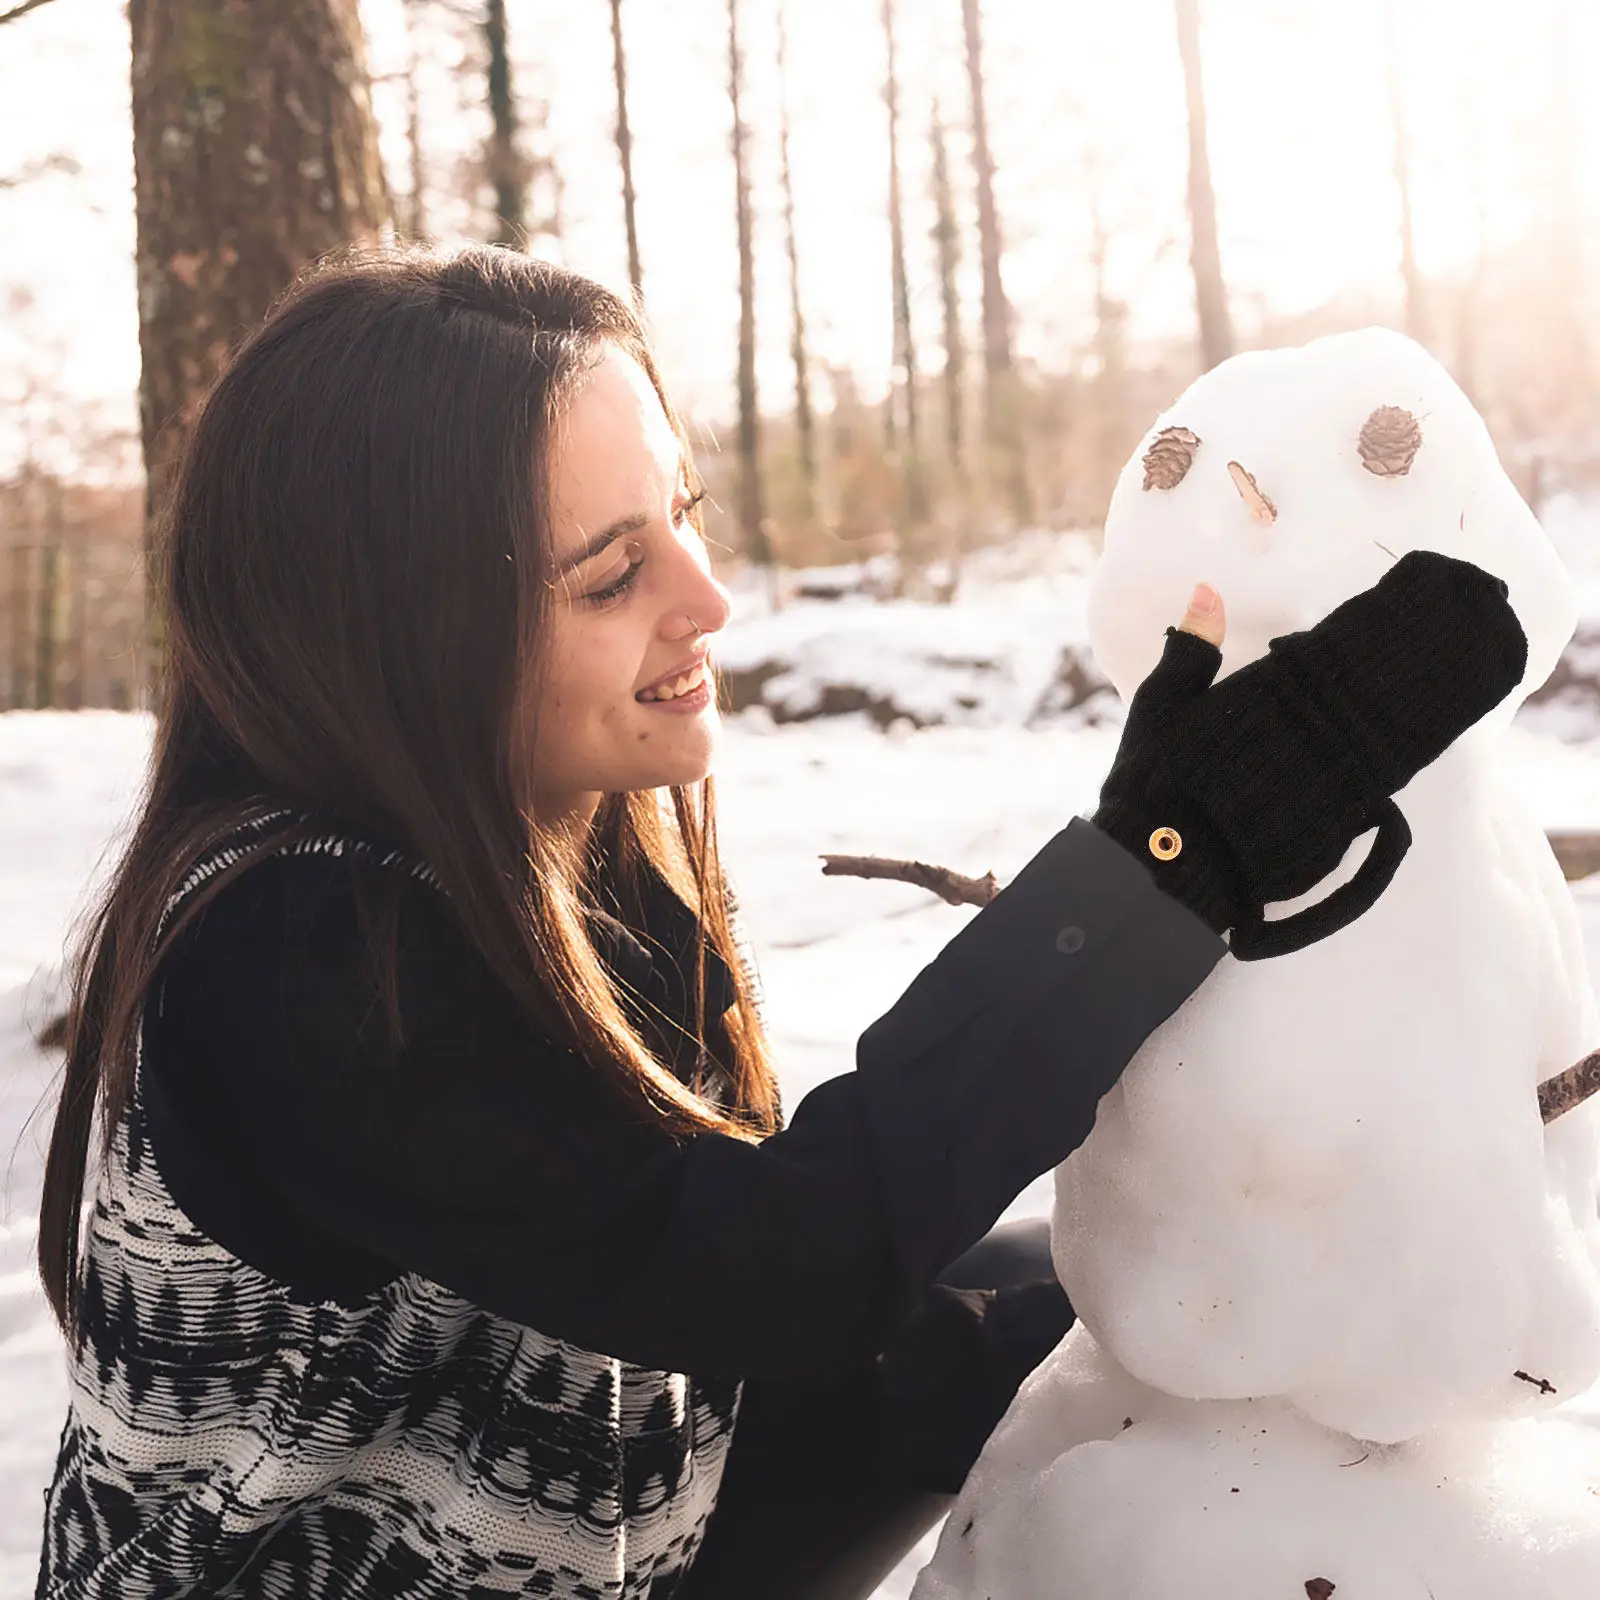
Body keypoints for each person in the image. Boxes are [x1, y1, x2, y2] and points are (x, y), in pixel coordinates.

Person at [32, 246, 1528, 1600]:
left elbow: (736, 1293)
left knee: (1096, 1305)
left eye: (681, 516)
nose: (707, 596)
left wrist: (1140, 1342)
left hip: (624, 1492)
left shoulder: (547, 822)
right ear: (395, 638)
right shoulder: (293, 953)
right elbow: (771, 1268)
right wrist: (1166, 856)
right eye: (613, 574)